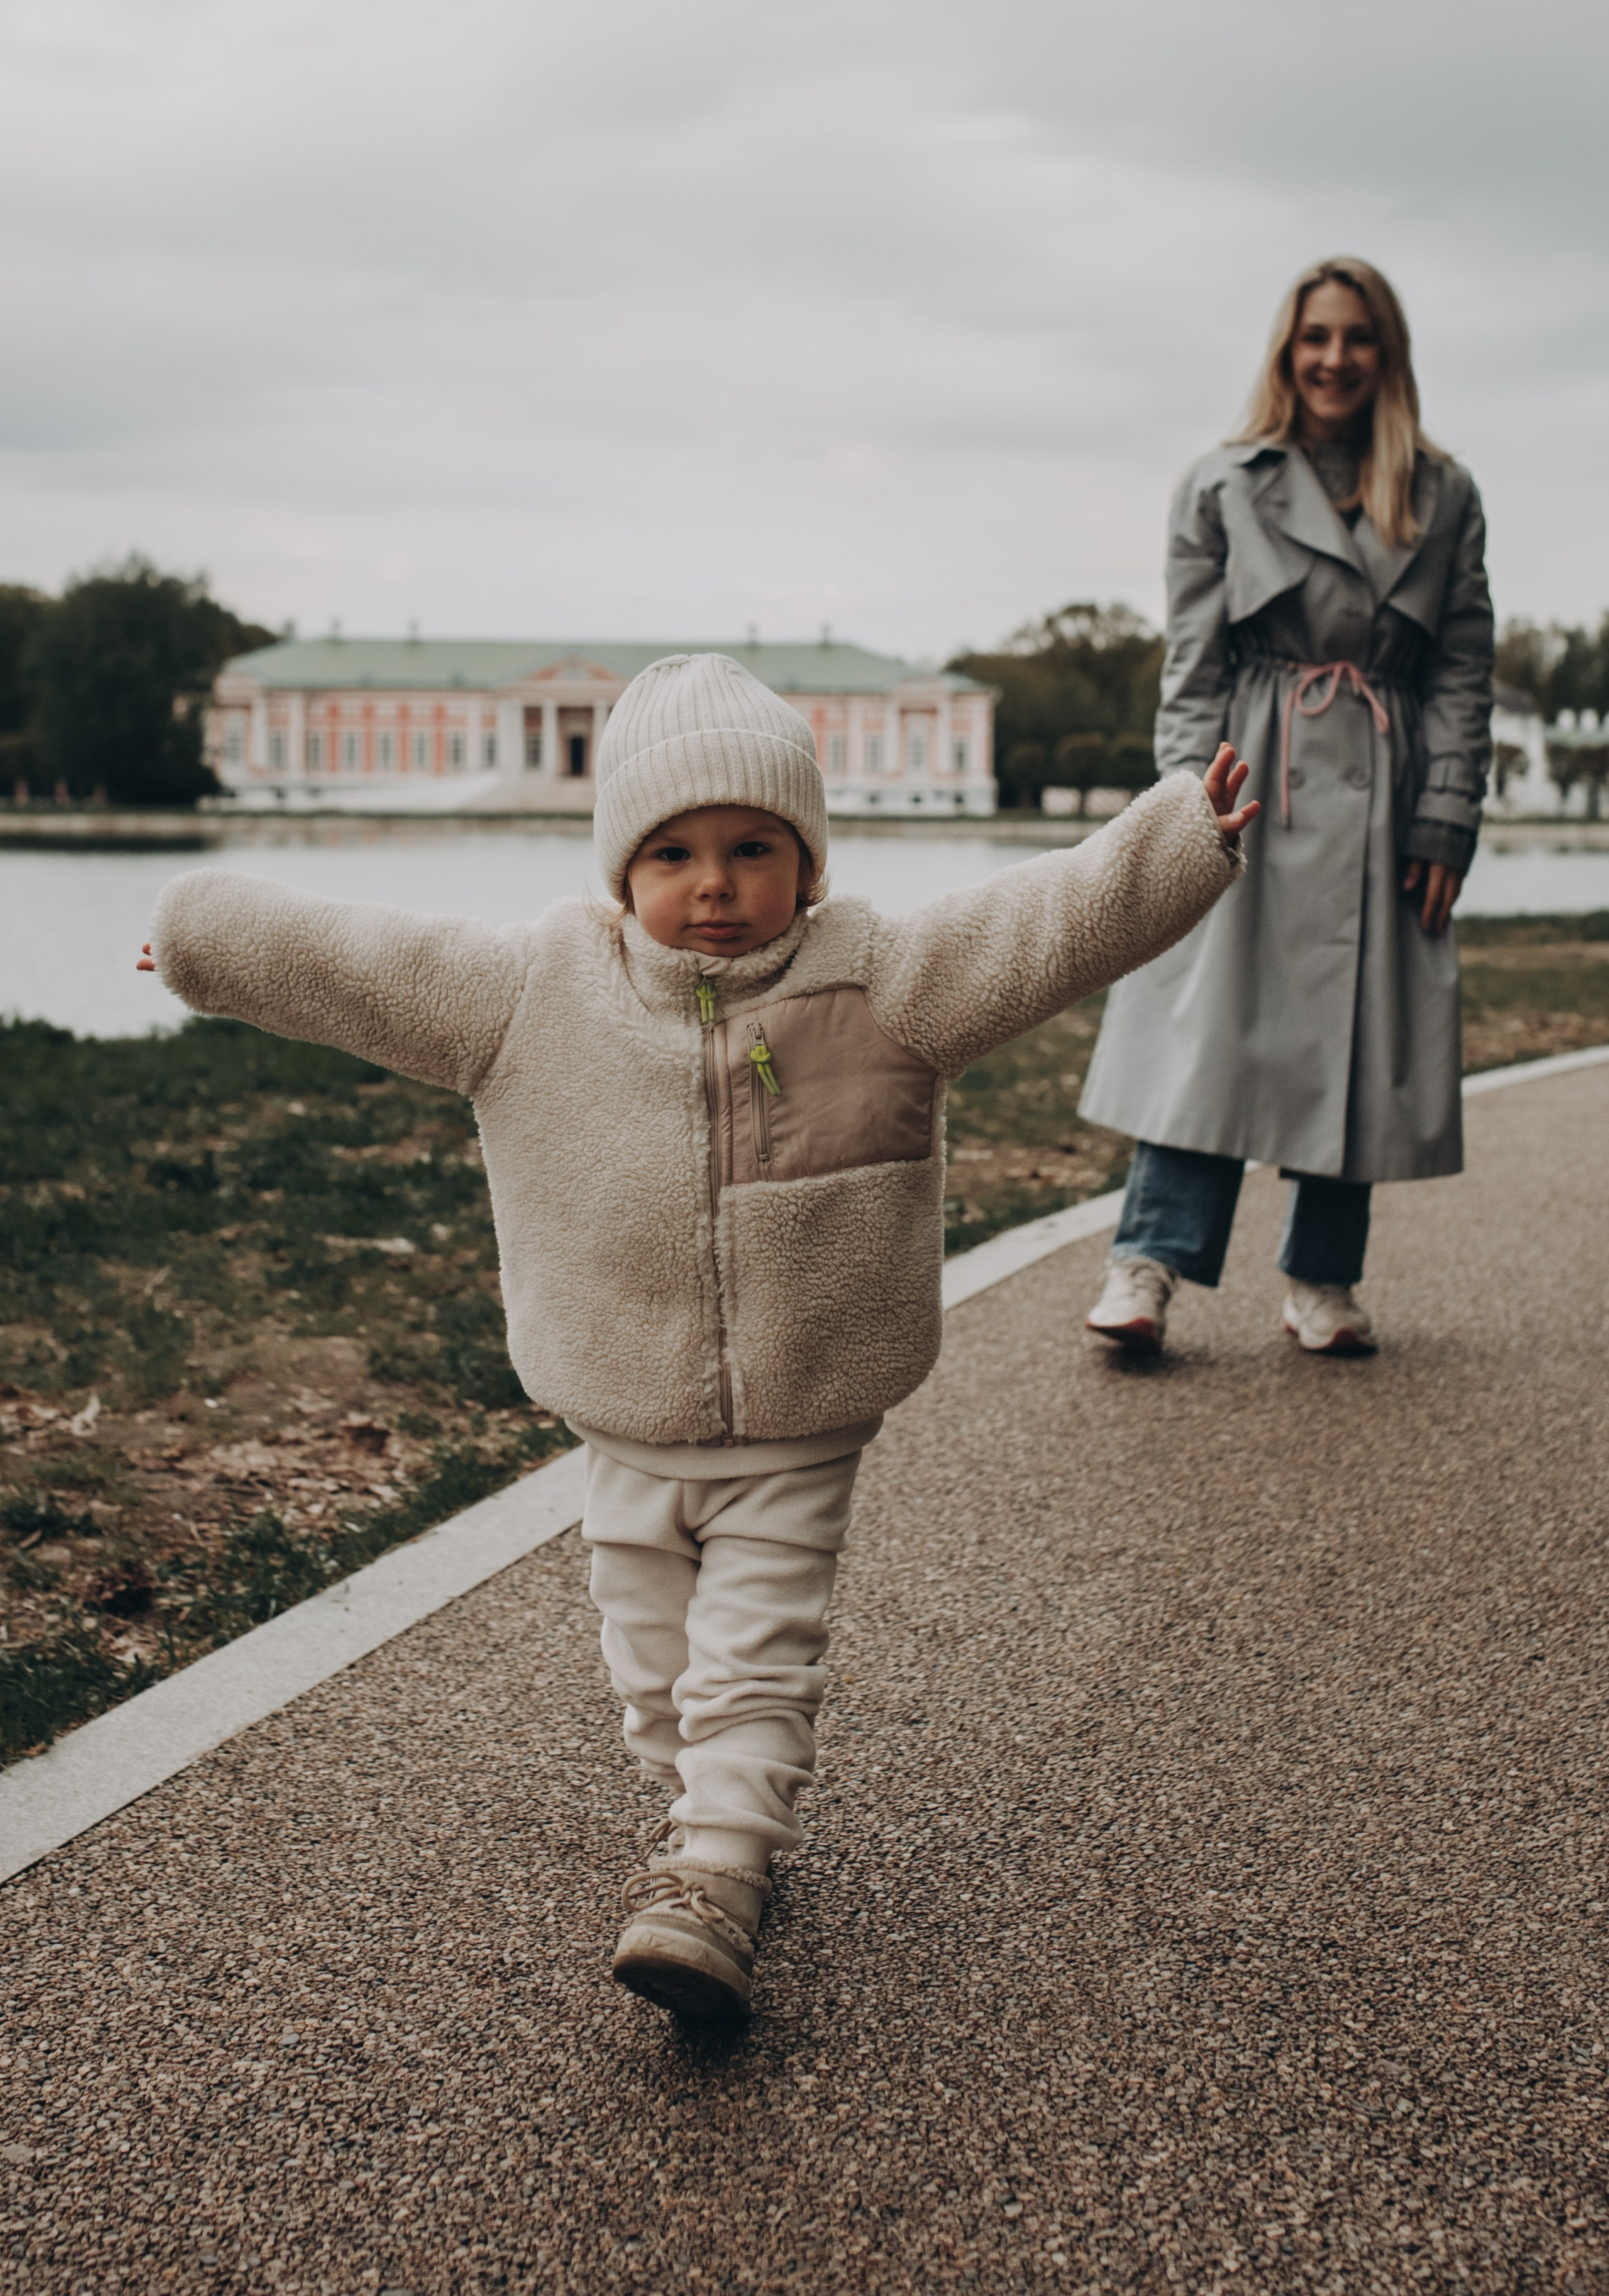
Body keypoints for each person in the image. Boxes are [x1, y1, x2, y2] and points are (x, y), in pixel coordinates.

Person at [139, 651, 1254, 2031]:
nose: (713, 885)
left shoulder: (881, 985)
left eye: (751, 849)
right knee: (654, 1677)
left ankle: (716, 1875)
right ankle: (711, 1827)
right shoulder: (534, 990)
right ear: (620, 871)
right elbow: (364, 965)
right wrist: (199, 937)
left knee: (752, 1657)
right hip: (620, 1411)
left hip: (802, 1409)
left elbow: (1042, 926)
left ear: (808, 862)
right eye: (670, 852)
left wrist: (1180, 837)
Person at [1078, 256, 1494, 1359]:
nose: (1335, 358)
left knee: (1358, 1028)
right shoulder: (1221, 483)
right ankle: (1148, 1263)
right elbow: (1192, 664)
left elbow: (1461, 668)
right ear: (1286, 349)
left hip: (1386, 780)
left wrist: (1448, 814)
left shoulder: (1444, 496)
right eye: (1316, 336)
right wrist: (1183, 808)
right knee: (1207, 1021)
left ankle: (1323, 1275)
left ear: (1385, 353)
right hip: (1251, 770)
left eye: (1357, 337)